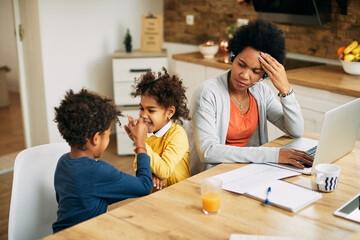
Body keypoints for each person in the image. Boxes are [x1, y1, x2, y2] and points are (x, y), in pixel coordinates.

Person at [189, 19, 313, 174]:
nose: (244, 75)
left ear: (265, 74)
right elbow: (208, 151)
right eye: (241, 64)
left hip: (249, 171)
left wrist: (285, 89)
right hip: (213, 177)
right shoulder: (207, 93)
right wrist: (274, 155)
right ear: (233, 56)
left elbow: (295, 131)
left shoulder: (261, 92)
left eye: (255, 71)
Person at [52, 89, 152, 233]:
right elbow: (145, 185)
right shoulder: (99, 172)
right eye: (108, 134)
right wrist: (140, 143)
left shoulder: (62, 163)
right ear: (96, 138)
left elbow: (81, 198)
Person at [124, 67, 191, 190]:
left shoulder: (177, 134)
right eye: (141, 108)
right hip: (155, 196)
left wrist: (140, 142)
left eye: (151, 110)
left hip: (180, 195)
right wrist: (150, 175)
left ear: (169, 112)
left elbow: (164, 170)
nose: (143, 115)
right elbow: (137, 166)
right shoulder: (145, 134)